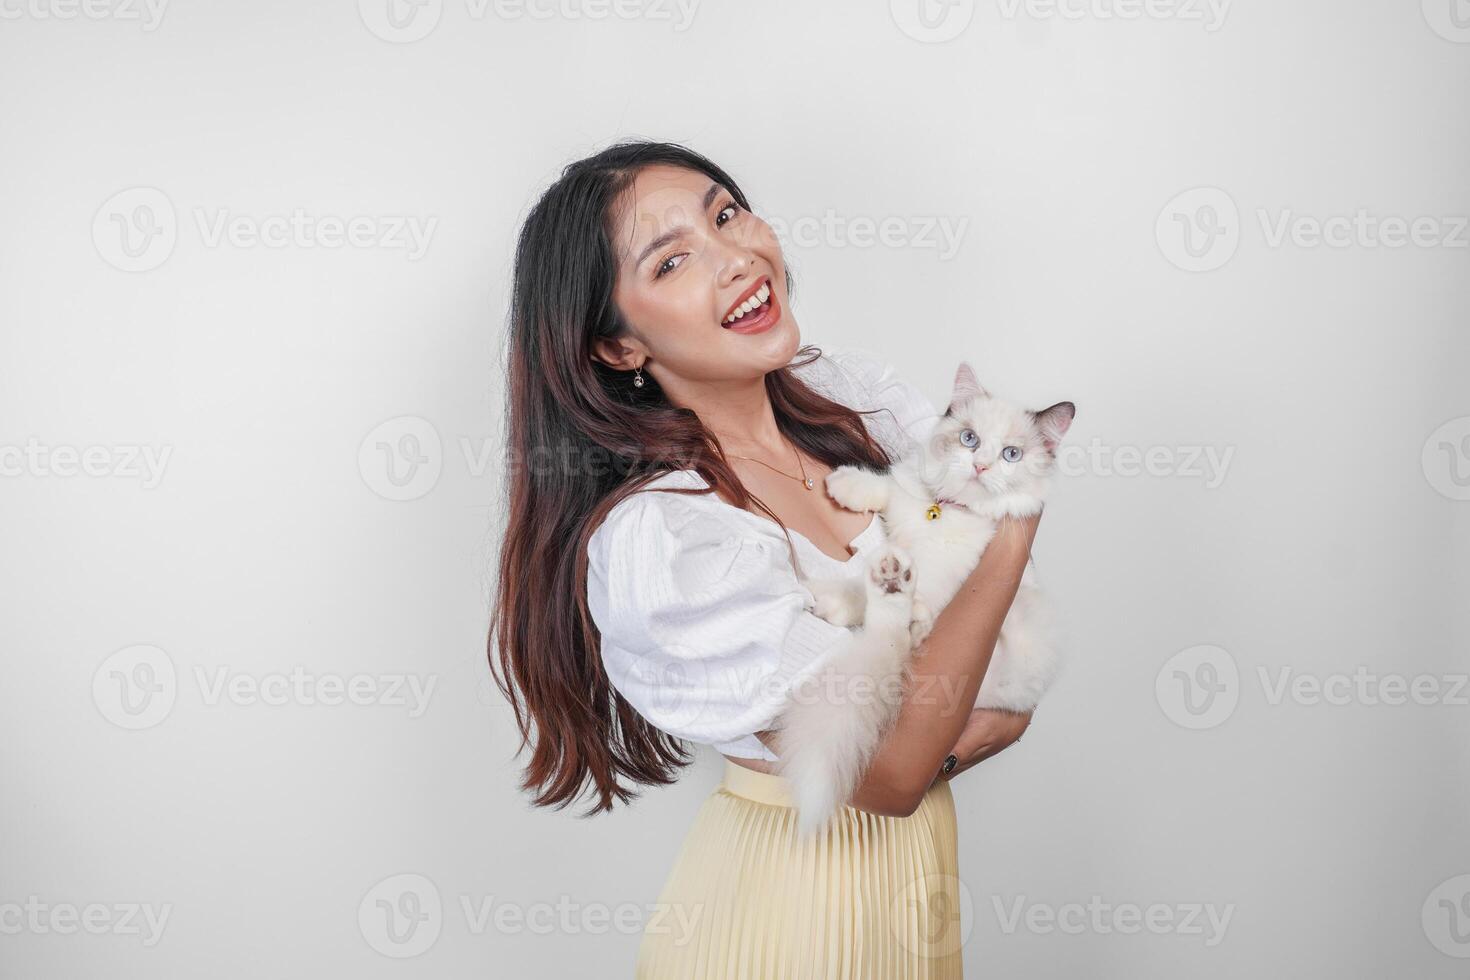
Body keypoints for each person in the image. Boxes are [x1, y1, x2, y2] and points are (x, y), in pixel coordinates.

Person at [489, 140, 1038, 978]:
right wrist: (1012, 538)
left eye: (726, 213)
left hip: (916, 898)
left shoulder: (858, 408)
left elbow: (1001, 678)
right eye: (672, 261)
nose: (737, 258)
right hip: (785, 917)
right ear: (617, 348)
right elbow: (892, 774)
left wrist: (935, 735)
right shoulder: (669, 537)